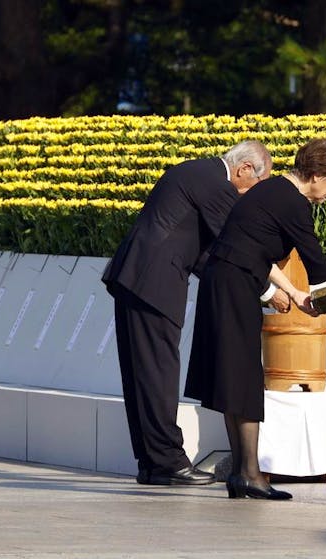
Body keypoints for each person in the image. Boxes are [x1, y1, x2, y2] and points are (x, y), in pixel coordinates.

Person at [185, 138, 326, 500]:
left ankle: (243, 474)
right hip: (233, 285)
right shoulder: (292, 202)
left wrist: (293, 293)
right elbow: (320, 267)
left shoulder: (273, 191)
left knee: (234, 378)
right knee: (244, 377)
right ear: (317, 174)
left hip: (226, 281)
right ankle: (249, 475)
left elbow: (255, 250)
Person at [102, 140, 291, 486]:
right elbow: (236, 245)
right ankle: (169, 462)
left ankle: (153, 463)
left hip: (136, 278)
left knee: (142, 375)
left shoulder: (196, 172)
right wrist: (270, 291)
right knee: (158, 373)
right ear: (244, 169)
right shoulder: (216, 183)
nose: (250, 197)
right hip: (154, 283)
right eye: (256, 185)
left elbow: (208, 254)